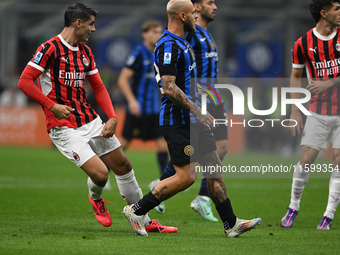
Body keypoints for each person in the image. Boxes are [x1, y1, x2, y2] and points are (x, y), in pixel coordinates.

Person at [17, 2, 177, 233]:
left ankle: (143, 218)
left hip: (90, 120)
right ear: (78, 23)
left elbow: (99, 88)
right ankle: (97, 198)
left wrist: (111, 117)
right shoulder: (49, 48)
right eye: (91, 24)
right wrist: (51, 105)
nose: (94, 29)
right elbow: (24, 81)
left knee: (123, 164)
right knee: (101, 174)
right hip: (63, 126)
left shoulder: (85, 52)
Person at [122, 0, 261, 237]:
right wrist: (197, 109)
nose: (197, 16)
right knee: (186, 177)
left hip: (195, 119)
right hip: (179, 120)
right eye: (193, 13)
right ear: (182, 15)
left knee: (214, 167)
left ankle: (231, 223)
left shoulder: (183, 42)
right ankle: (136, 211)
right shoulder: (167, 45)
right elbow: (168, 87)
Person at [150, 0, 225, 222]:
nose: (215, 7)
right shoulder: (186, 36)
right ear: (195, 9)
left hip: (210, 98)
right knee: (188, 169)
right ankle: (153, 195)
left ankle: (226, 218)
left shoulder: (206, 34)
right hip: (194, 103)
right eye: (210, 2)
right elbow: (169, 80)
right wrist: (196, 103)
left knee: (215, 152)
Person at [281, 0, 340, 230]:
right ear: (324, 14)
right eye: (337, 9)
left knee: (338, 162)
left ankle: (328, 215)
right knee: (306, 160)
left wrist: (330, 82)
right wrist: (295, 109)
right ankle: (293, 207)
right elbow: (295, 75)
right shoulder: (303, 43)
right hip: (318, 111)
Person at [117, 20, 169, 198]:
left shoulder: (160, 54)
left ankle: (164, 180)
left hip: (154, 109)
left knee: (163, 144)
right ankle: (102, 177)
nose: (157, 35)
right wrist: (131, 101)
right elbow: (123, 79)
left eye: (160, 32)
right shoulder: (139, 53)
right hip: (137, 109)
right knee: (123, 144)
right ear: (144, 34)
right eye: (154, 32)